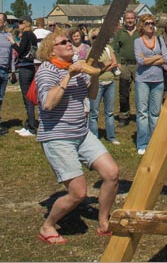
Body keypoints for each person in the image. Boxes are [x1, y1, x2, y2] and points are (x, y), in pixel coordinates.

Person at [35, 29, 119, 244]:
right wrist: (69, 75)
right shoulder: (47, 70)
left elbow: (90, 96)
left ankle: (103, 221)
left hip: (81, 133)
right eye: (63, 42)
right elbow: (48, 102)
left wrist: (94, 76)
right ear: (50, 50)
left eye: (68, 41)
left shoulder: (77, 66)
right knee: (78, 193)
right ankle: (48, 226)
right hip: (57, 137)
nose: (69, 43)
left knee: (111, 173)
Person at [134, 14, 167, 155]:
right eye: (148, 23)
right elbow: (140, 61)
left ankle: (155, 142)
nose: (151, 25)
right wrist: (157, 57)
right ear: (142, 26)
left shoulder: (160, 40)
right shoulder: (138, 41)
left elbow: (166, 58)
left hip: (158, 81)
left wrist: (149, 58)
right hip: (142, 81)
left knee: (155, 113)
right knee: (142, 113)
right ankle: (143, 143)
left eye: (152, 23)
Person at [7, 16, 39, 137]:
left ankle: (31, 126)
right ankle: (29, 124)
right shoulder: (33, 35)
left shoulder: (26, 35)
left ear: (26, 23)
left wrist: (13, 43)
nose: (18, 25)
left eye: (20, 23)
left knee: (27, 97)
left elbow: (20, 51)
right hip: (31, 65)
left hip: (25, 67)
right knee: (30, 95)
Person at [88, 28, 120, 145]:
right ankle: (94, 138)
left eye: (99, 37)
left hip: (110, 82)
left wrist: (102, 67)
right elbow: (92, 70)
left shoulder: (108, 48)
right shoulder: (90, 52)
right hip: (97, 84)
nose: (97, 39)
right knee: (94, 113)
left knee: (109, 112)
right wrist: (107, 65)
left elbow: (115, 62)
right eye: (94, 37)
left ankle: (111, 137)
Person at [112, 10, 139, 127]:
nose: (130, 20)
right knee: (123, 93)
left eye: (132, 18)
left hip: (139, 65)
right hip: (125, 66)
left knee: (141, 92)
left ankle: (142, 116)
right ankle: (124, 116)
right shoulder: (120, 33)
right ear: (124, 20)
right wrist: (118, 62)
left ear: (135, 19)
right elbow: (115, 49)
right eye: (127, 18)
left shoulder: (140, 32)